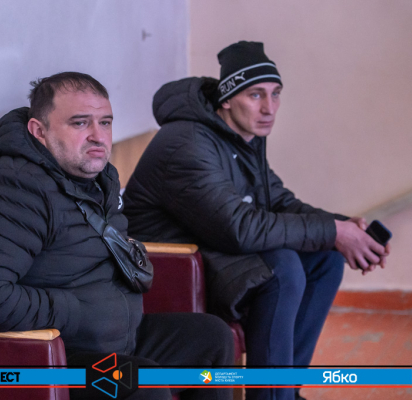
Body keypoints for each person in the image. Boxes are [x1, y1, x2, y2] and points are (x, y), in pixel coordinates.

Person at [122, 42, 390, 400]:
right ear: (227, 99)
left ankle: (286, 392)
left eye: (275, 94)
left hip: (210, 249)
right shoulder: (186, 142)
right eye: (255, 95)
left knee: (325, 258)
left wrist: (345, 229)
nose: (269, 108)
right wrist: (334, 231)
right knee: (280, 268)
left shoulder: (242, 137)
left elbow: (279, 202)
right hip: (173, 266)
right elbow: (239, 228)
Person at [0, 72, 234, 400]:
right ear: (39, 131)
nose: (98, 136)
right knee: (142, 382)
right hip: (59, 359)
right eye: (80, 123)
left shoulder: (97, 178)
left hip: (117, 340)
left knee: (212, 339)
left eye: (106, 123)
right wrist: (75, 311)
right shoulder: (12, 188)